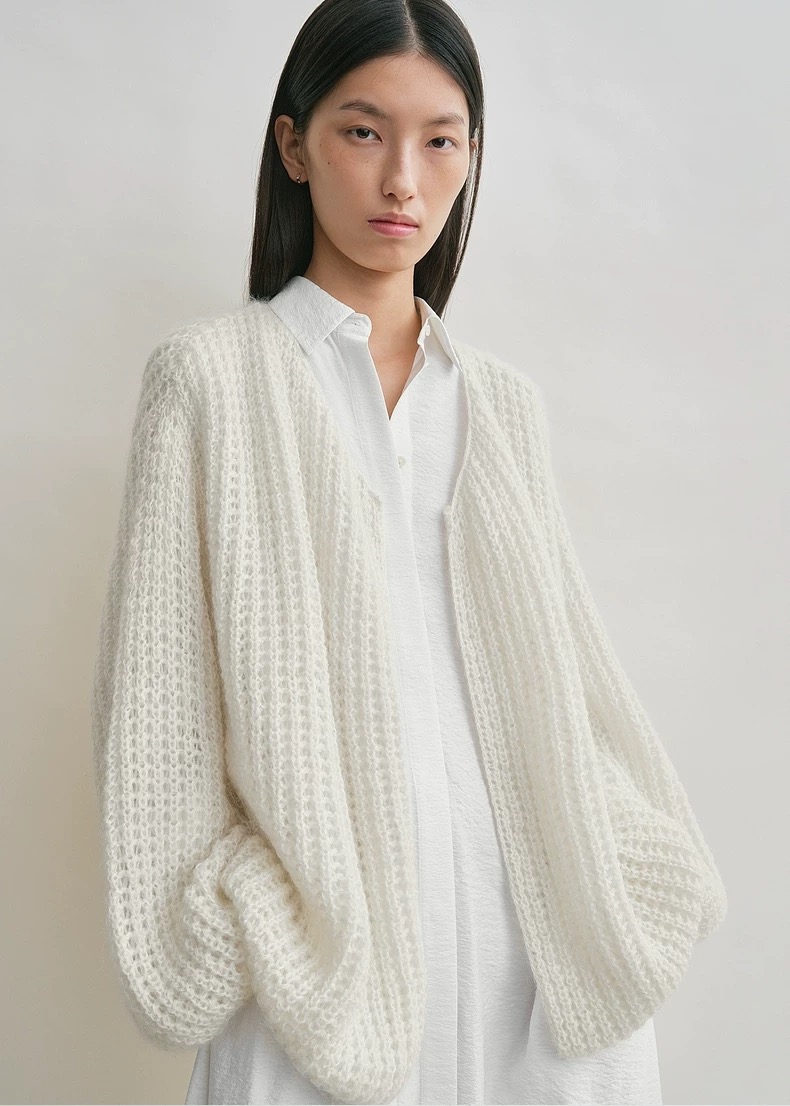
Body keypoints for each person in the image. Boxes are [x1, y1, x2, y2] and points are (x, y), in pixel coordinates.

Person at [90, 2, 727, 1104]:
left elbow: (576, 683)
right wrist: (238, 911)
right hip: (321, 974)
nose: (402, 180)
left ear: (472, 156)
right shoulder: (209, 382)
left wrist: (622, 848)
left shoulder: (499, 404)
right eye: (362, 130)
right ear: (294, 145)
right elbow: (159, 705)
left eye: (441, 140)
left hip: (543, 976)